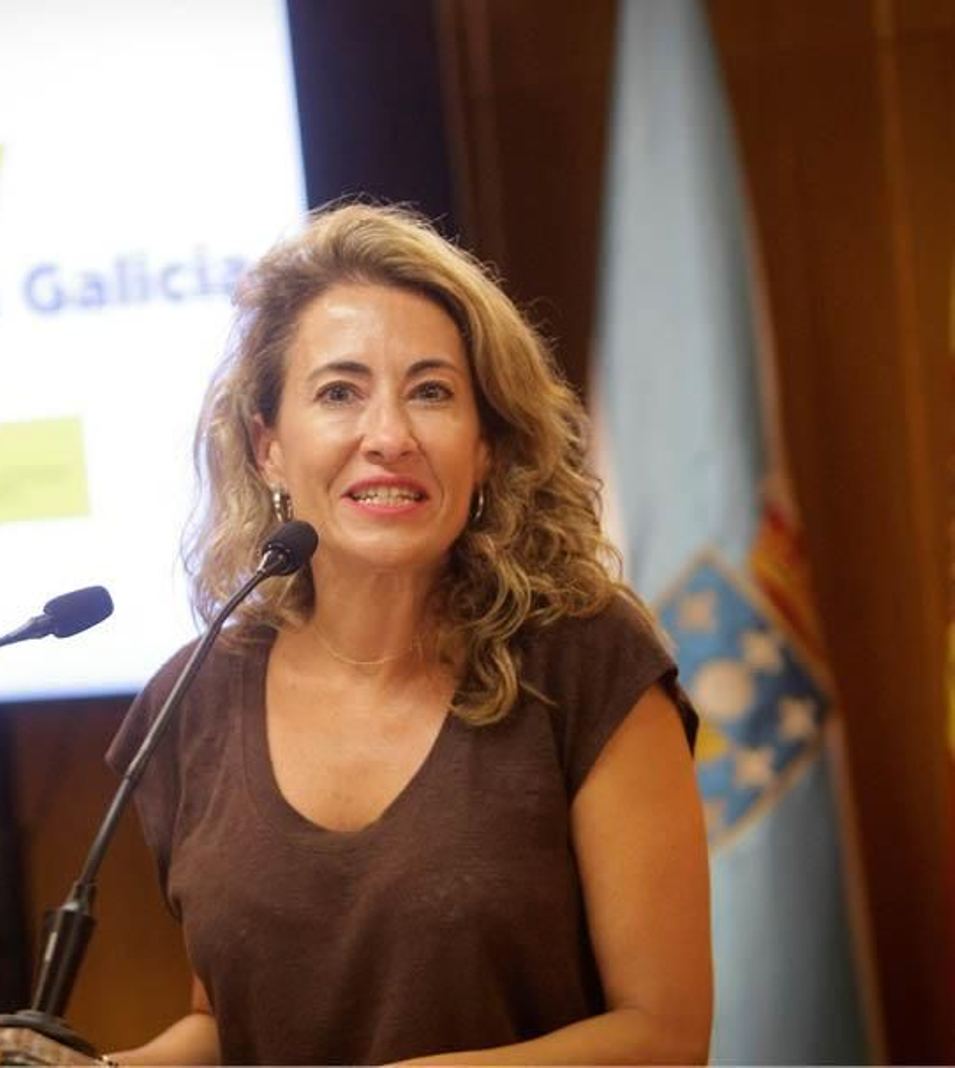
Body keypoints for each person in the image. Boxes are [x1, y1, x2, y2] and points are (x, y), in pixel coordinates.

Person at [106, 203, 711, 1065]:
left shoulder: (585, 660)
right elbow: (225, 1021)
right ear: (268, 447)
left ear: (487, 447)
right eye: (339, 393)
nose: (388, 437)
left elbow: (665, 1036)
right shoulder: (194, 696)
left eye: (431, 392)